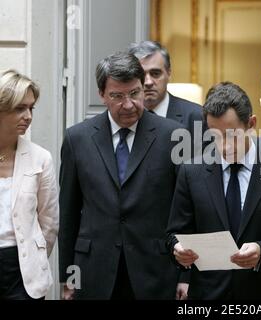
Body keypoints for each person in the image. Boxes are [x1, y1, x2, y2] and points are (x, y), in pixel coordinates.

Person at [166, 82, 261, 300]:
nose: (224, 146)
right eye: (215, 136)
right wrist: (178, 250)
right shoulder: (191, 172)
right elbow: (174, 234)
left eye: (232, 135)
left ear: (251, 124)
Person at [58, 52, 185, 300]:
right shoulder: (77, 139)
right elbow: (69, 214)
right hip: (94, 272)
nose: (128, 104)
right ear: (102, 95)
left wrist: (186, 276)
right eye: (117, 96)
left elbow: (185, 211)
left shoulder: (174, 136)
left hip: (156, 272)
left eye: (134, 93)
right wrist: (69, 277)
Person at [0, 69, 59, 300]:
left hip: (24, 272)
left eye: (31, 108)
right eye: (19, 108)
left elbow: (49, 222)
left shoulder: (40, 158)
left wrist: (37, 259)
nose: (28, 116)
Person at [128, 41, 203, 138]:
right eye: (141, 75)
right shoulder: (124, 115)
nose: (148, 82)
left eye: (155, 74)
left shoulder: (195, 116)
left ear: (169, 73)